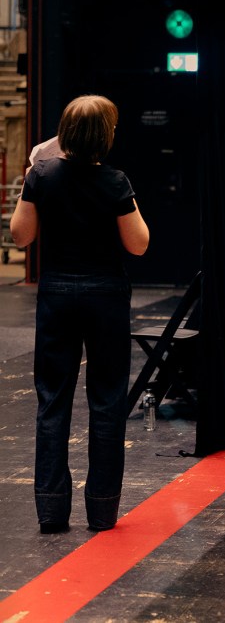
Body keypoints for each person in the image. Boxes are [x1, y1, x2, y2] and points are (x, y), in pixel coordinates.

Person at [10, 95, 150, 533]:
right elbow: (139, 243)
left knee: (53, 402)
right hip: (105, 296)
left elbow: (20, 237)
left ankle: (52, 511)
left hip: (57, 294)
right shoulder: (114, 181)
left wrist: (35, 175)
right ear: (105, 136)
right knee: (107, 402)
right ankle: (102, 510)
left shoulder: (43, 175)